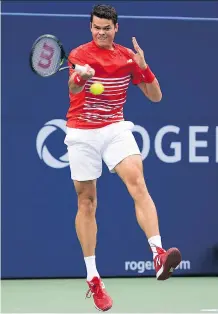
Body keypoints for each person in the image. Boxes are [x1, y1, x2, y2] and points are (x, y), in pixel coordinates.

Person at [65, 4, 181, 312]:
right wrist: (81, 77)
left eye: (106, 28)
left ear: (116, 28)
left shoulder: (127, 57)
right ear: (90, 28)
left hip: (115, 127)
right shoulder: (79, 55)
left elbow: (155, 95)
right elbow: (73, 87)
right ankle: (93, 277)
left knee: (138, 182)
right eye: (96, 28)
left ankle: (157, 253)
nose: (101, 33)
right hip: (82, 131)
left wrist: (143, 67)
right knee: (86, 201)